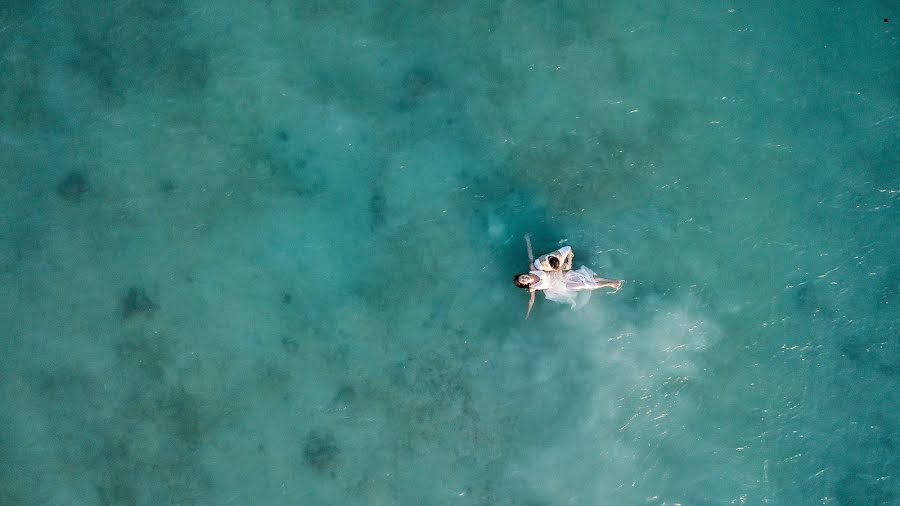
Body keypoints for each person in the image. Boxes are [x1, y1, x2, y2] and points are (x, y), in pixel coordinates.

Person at [514, 234, 623, 319]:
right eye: (523, 281)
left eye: (522, 277)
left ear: (524, 274)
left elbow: (530, 255)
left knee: (586, 276)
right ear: (525, 284)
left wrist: (527, 240)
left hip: (562, 275)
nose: (524, 278)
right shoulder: (532, 287)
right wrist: (528, 313)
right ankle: (610, 284)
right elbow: (531, 301)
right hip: (560, 286)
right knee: (585, 285)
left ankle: (611, 280)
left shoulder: (533, 269)